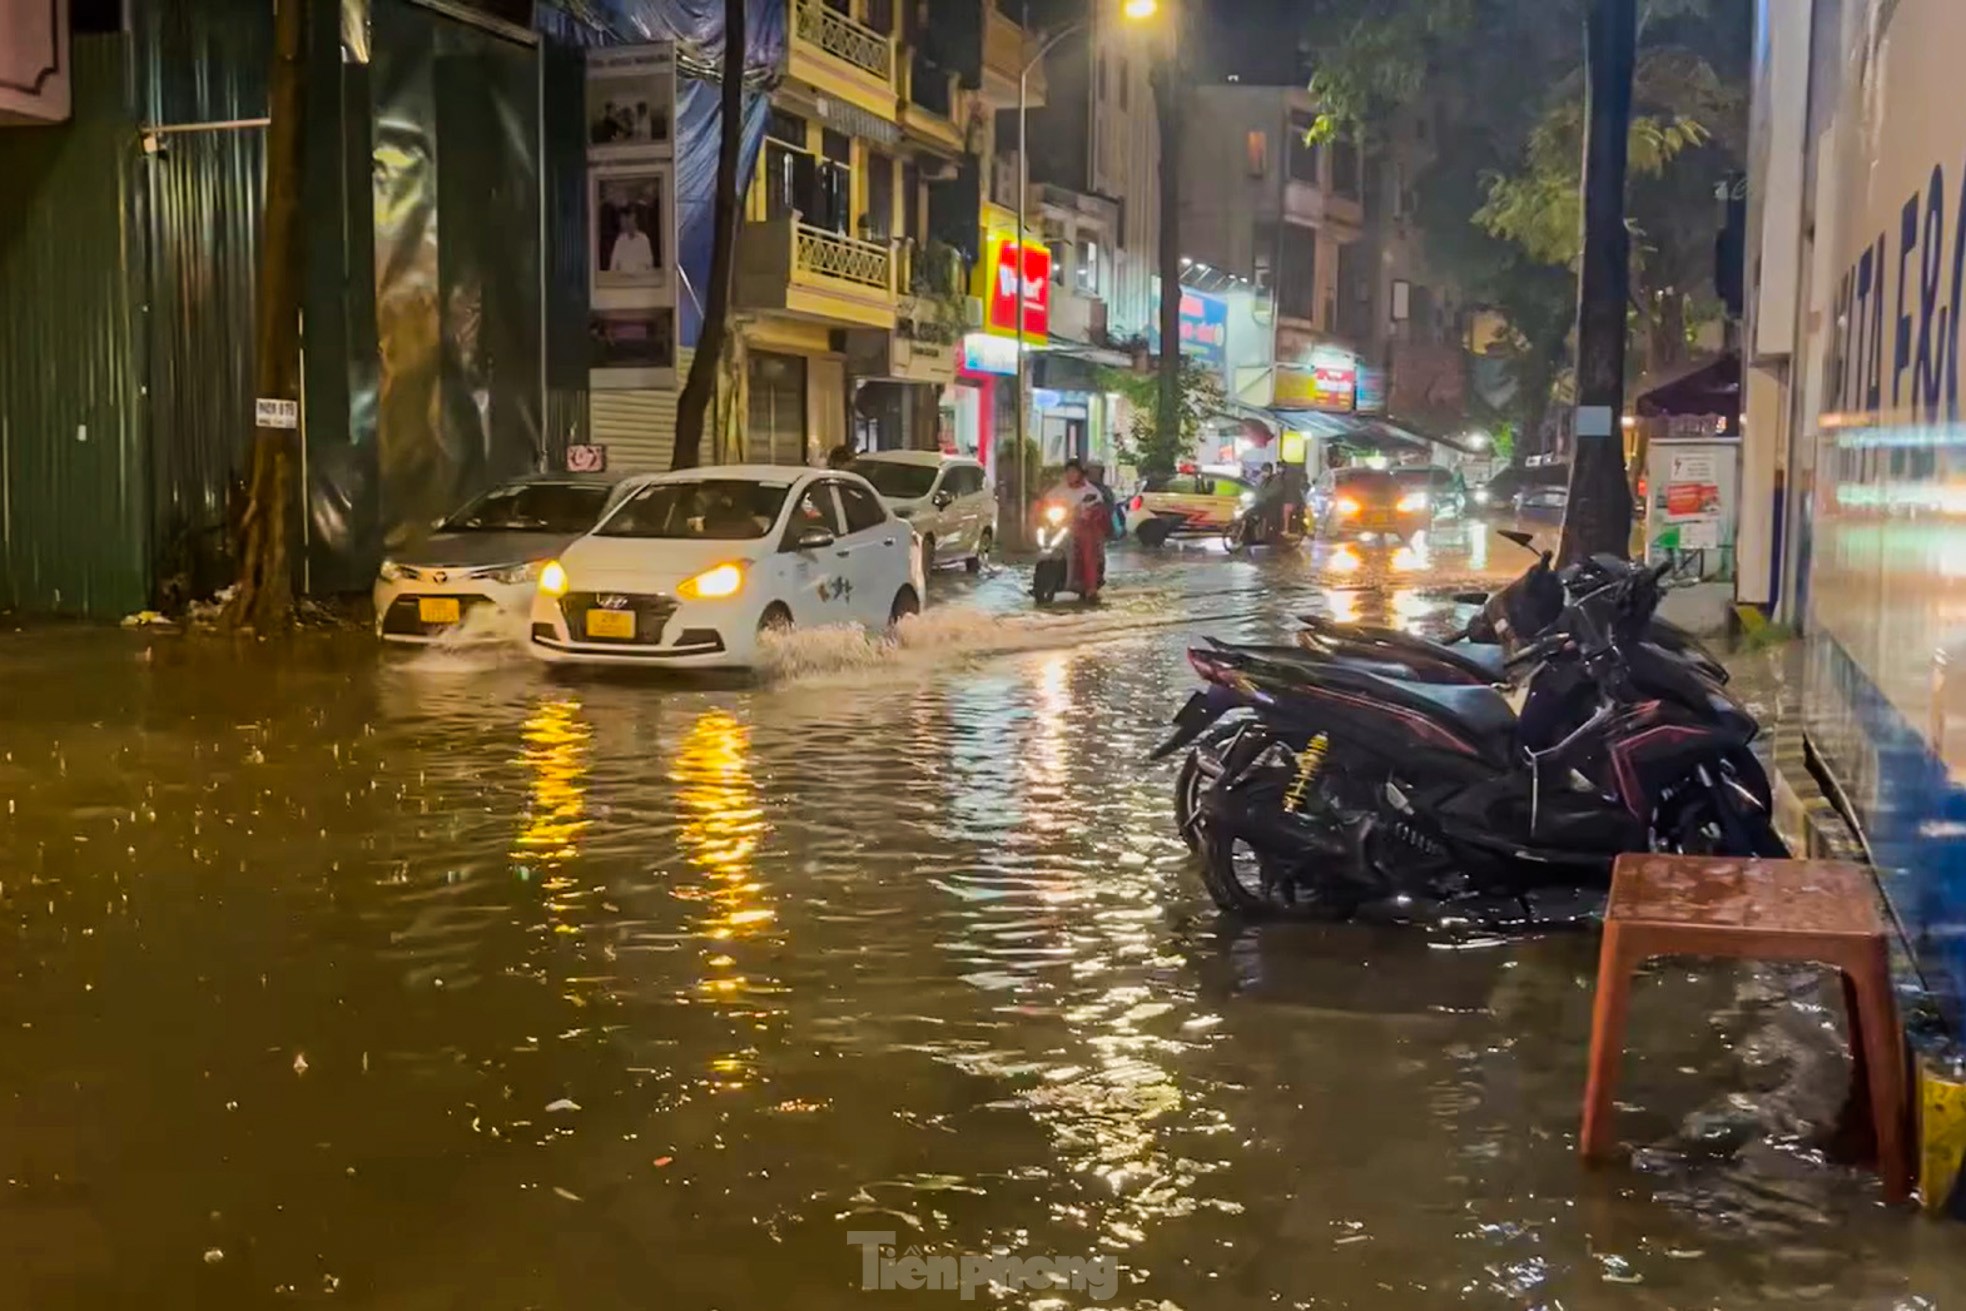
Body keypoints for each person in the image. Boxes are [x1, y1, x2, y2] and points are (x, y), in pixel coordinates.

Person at [1043, 459, 1108, 601]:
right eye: (1068, 472)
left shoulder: (1091, 491)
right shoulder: (1060, 489)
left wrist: (1085, 513)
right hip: (1060, 526)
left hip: (1081, 528)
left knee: (1087, 549)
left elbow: (1097, 507)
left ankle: (1090, 588)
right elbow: (1046, 502)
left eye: (1073, 472)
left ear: (1080, 474)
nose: (1070, 475)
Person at [610, 207, 655, 275]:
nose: (630, 224)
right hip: (622, 280)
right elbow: (613, 264)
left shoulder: (643, 240)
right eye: (628, 222)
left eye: (632, 221)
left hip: (640, 279)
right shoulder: (620, 240)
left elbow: (649, 264)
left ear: (636, 223)